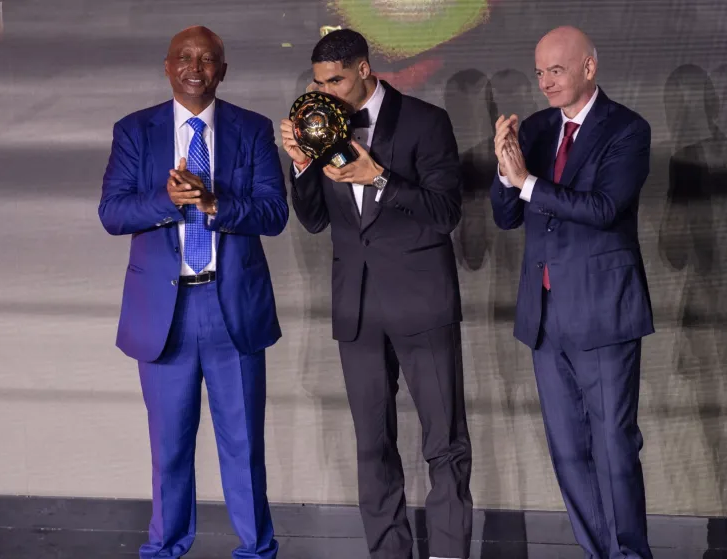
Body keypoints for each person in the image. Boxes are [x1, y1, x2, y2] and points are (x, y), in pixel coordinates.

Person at [282, 29, 472, 559]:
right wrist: (301, 162)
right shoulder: (320, 125)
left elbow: (445, 214)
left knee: (445, 443)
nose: (326, 93)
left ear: (364, 69)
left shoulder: (426, 122)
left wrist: (379, 177)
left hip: (422, 303)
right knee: (372, 445)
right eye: (319, 83)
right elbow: (315, 221)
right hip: (358, 308)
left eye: (336, 81)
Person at [98, 25, 287, 559]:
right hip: (165, 312)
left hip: (233, 309)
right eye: (184, 57)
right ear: (167, 66)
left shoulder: (252, 129)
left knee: (243, 446)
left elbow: (274, 214)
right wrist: (168, 199)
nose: (195, 68)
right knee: (170, 448)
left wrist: (212, 203)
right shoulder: (135, 131)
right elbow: (112, 213)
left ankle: (256, 551)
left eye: (207, 59)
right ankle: (165, 548)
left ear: (222, 70)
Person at [491, 26, 654, 559]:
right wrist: (504, 171)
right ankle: (597, 552)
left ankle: (629, 555)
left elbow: (605, 209)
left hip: (603, 314)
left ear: (589, 67)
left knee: (613, 448)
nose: (545, 82)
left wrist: (527, 182)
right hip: (544, 316)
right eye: (540, 72)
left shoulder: (626, 129)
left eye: (556, 70)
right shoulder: (538, 129)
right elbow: (506, 216)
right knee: (567, 452)